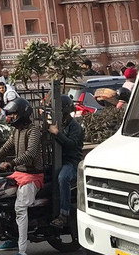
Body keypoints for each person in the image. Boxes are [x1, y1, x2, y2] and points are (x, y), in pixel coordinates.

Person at [0, 98, 44, 255]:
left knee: (20, 208)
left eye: (12, 114)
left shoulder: (34, 131)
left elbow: (30, 154)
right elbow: (5, 149)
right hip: (19, 174)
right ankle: (11, 237)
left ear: (21, 115)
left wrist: (11, 163)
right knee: (3, 200)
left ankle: (22, 250)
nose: (9, 118)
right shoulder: (16, 131)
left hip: (32, 176)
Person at [47, 95, 84, 228]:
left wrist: (57, 134)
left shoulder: (75, 127)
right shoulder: (59, 124)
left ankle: (64, 214)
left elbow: (71, 145)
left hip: (71, 163)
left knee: (63, 178)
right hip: (57, 161)